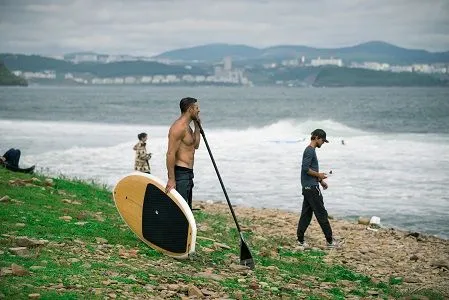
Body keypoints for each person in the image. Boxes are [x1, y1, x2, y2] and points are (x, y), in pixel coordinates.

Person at [297, 129, 341, 249]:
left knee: (306, 215)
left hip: (308, 187)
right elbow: (305, 169)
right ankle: (330, 242)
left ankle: (300, 240)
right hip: (311, 189)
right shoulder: (310, 151)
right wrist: (319, 175)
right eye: (322, 140)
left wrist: (321, 181)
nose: (323, 143)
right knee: (322, 214)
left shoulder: (310, 151)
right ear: (316, 138)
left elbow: (310, 171)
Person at [165, 97, 201, 209]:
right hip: (181, 174)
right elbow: (170, 154)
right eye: (196, 108)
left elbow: (196, 145)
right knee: (180, 209)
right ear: (190, 109)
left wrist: (197, 127)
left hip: (189, 173)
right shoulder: (178, 127)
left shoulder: (188, 127)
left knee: (187, 208)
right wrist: (171, 179)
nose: (199, 110)